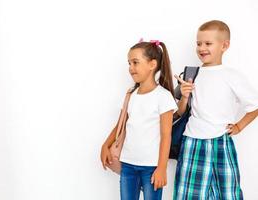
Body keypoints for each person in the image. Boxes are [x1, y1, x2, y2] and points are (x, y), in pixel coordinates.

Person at [173, 20, 258, 199]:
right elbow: (180, 112)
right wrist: (185, 95)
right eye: (198, 43)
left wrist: (239, 126)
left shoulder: (232, 75)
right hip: (192, 142)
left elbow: (255, 106)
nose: (202, 48)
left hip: (221, 141)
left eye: (208, 43)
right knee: (188, 194)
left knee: (228, 193)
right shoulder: (190, 74)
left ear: (224, 45)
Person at [101, 39, 177, 200]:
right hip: (127, 164)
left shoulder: (163, 97)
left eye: (135, 62)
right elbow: (121, 125)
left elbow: (166, 135)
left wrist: (161, 168)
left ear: (152, 64)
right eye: (129, 63)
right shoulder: (131, 95)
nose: (130, 68)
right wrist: (105, 145)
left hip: (151, 167)